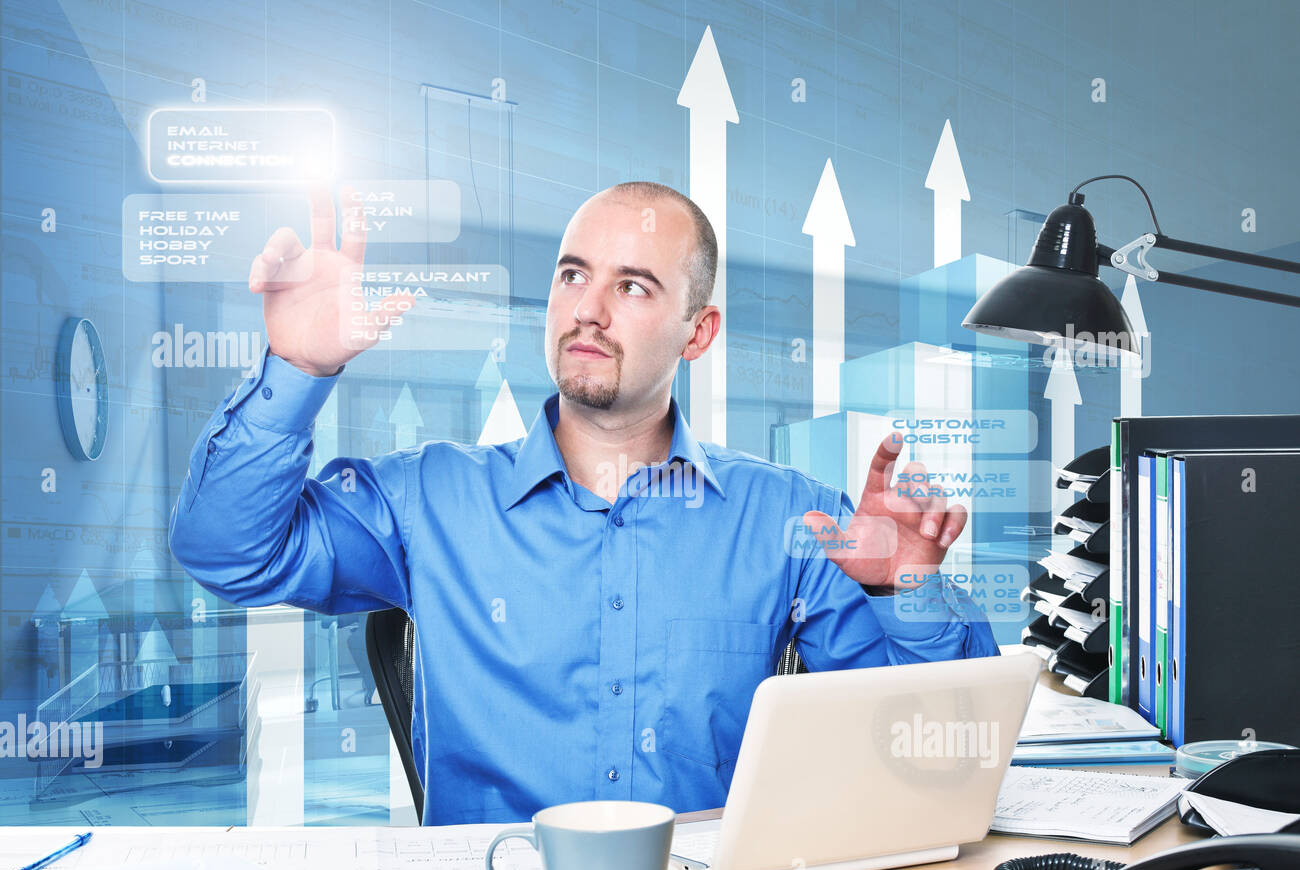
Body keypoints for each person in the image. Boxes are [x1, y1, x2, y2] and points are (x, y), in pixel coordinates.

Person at [168, 180, 998, 825]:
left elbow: (929, 761)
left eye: (633, 286)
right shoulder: (431, 500)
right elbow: (227, 551)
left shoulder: (788, 519)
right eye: (573, 276)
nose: (587, 311)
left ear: (697, 333)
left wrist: (907, 588)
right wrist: (296, 371)